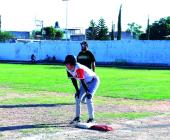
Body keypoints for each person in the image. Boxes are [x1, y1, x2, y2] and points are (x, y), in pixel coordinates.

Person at [64, 55, 100, 124]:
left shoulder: (78, 68)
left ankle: (91, 119)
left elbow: (82, 81)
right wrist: (77, 91)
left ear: (72, 63)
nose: (66, 64)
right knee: (77, 97)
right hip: (84, 82)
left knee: (88, 98)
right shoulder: (68, 69)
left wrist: (87, 92)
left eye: (67, 63)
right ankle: (77, 118)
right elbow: (73, 80)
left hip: (93, 81)